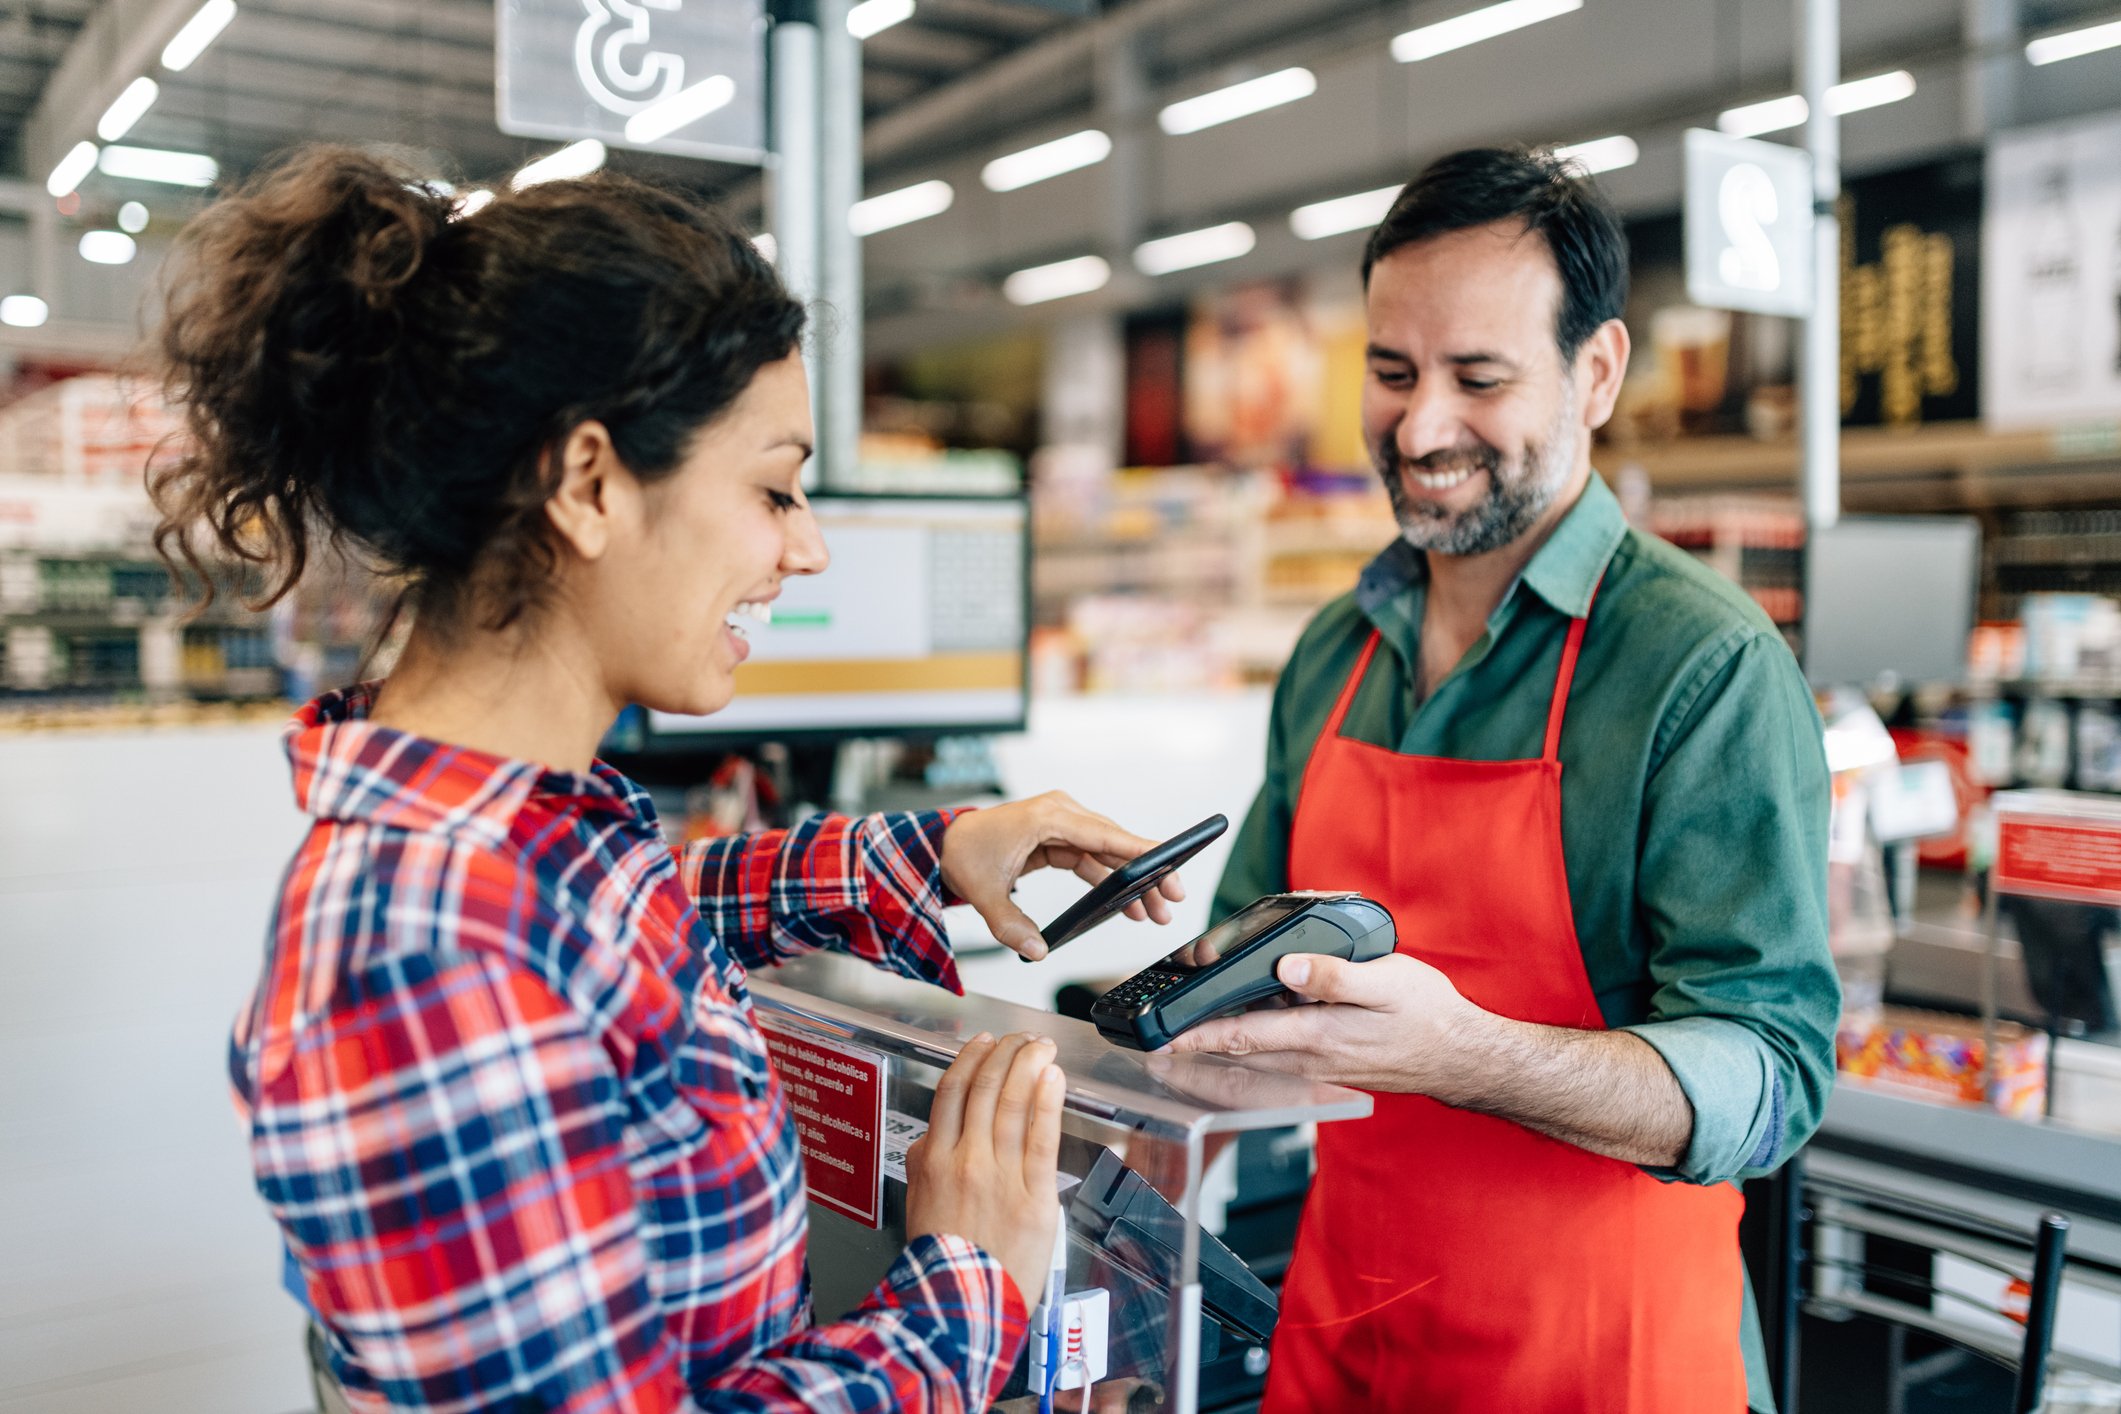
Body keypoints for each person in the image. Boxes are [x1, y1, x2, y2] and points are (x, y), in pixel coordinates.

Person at [153, 148, 1186, 1414]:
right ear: (589, 483)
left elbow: (626, 913)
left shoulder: (520, 823)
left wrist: (928, 852)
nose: (805, 547)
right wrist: (968, 1281)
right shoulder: (426, 951)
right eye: (772, 486)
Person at [1170, 147, 1839, 1412]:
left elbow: (1773, 1075)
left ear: (1597, 374)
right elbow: (1252, 943)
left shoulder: (1701, 666)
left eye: (1479, 378)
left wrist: (1471, 1056)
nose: (1422, 429)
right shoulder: (1335, 651)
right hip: (1352, 1330)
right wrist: (1178, 1021)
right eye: (1391, 373)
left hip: (1607, 1355)